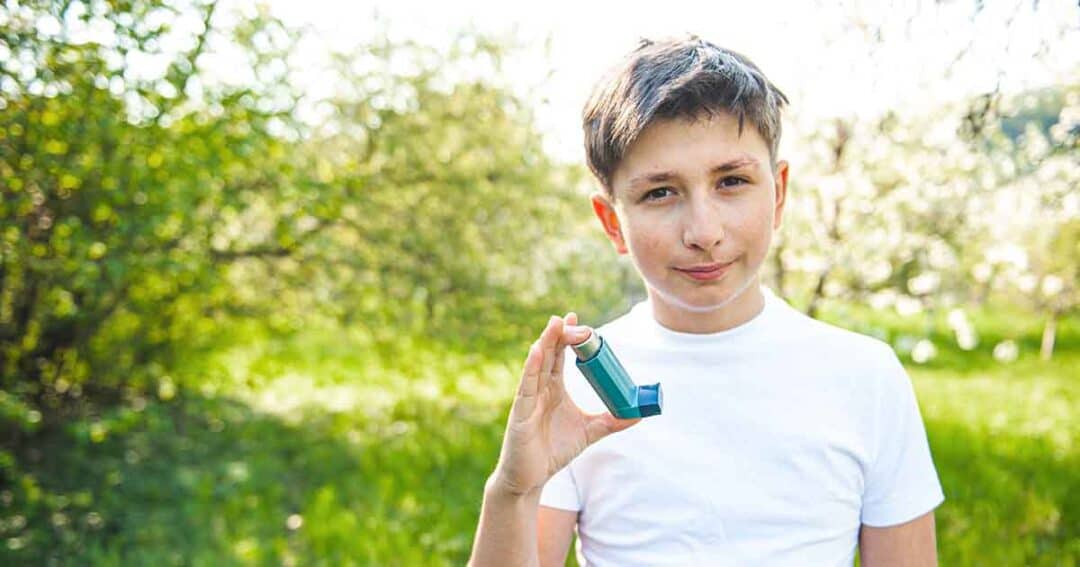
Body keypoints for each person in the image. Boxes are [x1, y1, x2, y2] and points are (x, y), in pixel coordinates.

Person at [468, 36, 944, 566]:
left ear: (779, 192)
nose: (703, 231)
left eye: (732, 181)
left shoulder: (866, 377)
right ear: (612, 223)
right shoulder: (583, 386)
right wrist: (514, 491)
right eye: (660, 193)